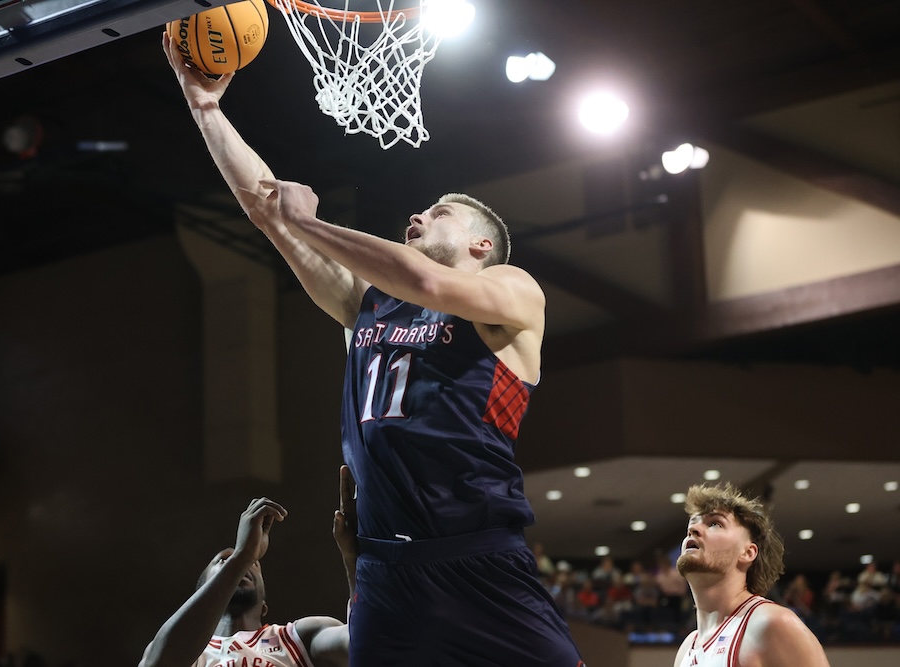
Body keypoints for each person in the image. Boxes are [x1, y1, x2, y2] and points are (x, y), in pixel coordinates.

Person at [163, 32, 585, 667]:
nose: (416, 217)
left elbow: (426, 282)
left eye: (438, 213)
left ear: (480, 246)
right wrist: (205, 109)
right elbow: (267, 209)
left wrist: (309, 220)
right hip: (386, 564)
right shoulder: (369, 305)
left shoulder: (511, 290)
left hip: (475, 554)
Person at [138, 481, 355, 667]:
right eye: (223, 561)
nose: (244, 566)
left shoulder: (298, 637)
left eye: (254, 564)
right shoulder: (190, 654)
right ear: (204, 591)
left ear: (264, 606)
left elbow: (366, 645)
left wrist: (357, 561)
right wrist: (242, 556)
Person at [673, 483, 829, 667]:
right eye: (692, 524)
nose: (694, 529)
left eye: (715, 523)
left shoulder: (772, 624)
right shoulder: (687, 649)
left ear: (748, 553)